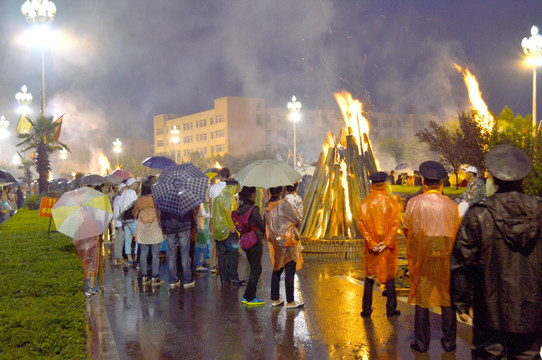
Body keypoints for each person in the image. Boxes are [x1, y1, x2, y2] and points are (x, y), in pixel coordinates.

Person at [451, 144, 542, 360]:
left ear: (493, 176)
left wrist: (462, 303)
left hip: (490, 312)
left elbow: (461, 263)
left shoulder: (479, 214)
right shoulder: (539, 211)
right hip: (531, 309)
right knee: (528, 355)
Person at [403, 161, 461, 353]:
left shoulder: (413, 203)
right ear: (442, 183)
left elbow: (407, 230)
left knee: (422, 299)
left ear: (423, 182)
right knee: (447, 298)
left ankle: (421, 343)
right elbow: (457, 232)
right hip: (446, 255)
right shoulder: (452, 206)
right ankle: (449, 343)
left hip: (423, 256)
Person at [357, 172, 402, 318]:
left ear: (372, 184)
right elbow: (396, 225)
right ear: (384, 183)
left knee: (369, 277)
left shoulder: (365, 202)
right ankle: (391, 309)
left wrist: (372, 243)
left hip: (372, 249)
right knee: (389, 277)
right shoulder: (392, 202)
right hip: (387, 248)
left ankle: (366, 309)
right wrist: (385, 243)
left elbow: (361, 224)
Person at [265, 186, 304, 308]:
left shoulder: (267, 206)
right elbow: (296, 219)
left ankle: (275, 299)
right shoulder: (284, 204)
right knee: (289, 270)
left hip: (275, 241)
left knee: (277, 268)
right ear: (281, 191)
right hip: (287, 240)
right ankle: (290, 301)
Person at [212, 179, 244, 285]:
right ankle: (233, 278)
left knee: (222, 255)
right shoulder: (228, 197)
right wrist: (232, 226)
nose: (237, 191)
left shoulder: (218, 197)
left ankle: (223, 278)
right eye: (237, 189)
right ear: (234, 187)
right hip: (228, 231)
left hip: (218, 230)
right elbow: (227, 211)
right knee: (233, 254)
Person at [237, 186, 266, 305]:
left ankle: (246, 296)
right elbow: (261, 225)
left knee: (254, 267)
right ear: (252, 194)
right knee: (256, 269)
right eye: (255, 193)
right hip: (254, 240)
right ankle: (250, 296)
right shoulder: (254, 209)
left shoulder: (241, 208)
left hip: (245, 241)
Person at [132, 180, 164, 287]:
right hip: (155, 227)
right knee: (155, 254)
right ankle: (155, 277)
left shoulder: (139, 200)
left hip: (143, 228)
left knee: (143, 254)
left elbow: (135, 213)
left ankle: (144, 276)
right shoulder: (157, 199)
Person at [161, 207, 195, 289]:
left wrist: (164, 229)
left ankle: (173, 280)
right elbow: (191, 214)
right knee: (185, 254)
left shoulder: (167, 200)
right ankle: (187, 279)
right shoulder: (185, 200)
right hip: (184, 226)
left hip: (170, 228)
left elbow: (162, 216)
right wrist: (191, 225)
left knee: (172, 254)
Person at [208, 168, 231, 273]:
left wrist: (211, 216)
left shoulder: (213, 187)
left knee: (214, 243)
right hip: (227, 220)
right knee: (227, 244)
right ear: (229, 176)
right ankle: (226, 267)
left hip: (214, 219)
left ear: (220, 176)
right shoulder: (231, 188)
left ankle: (213, 265)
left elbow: (209, 202)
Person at [119, 178, 139, 267]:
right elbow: (136, 204)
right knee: (138, 237)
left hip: (125, 219)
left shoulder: (124, 193)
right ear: (131, 185)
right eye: (135, 184)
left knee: (128, 239)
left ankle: (129, 258)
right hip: (132, 218)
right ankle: (136, 257)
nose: (137, 186)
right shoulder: (132, 193)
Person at [112, 183, 127, 265]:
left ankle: (117, 256)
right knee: (120, 240)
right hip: (121, 222)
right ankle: (119, 257)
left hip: (117, 222)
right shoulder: (121, 198)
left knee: (118, 240)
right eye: (125, 189)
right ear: (121, 190)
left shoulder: (116, 198)